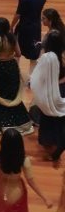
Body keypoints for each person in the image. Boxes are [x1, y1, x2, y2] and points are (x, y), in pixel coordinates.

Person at [30, 31, 65, 164]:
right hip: (62, 89)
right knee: (58, 119)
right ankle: (56, 141)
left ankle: (50, 143)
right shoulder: (61, 56)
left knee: (48, 116)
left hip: (52, 90)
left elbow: (39, 76)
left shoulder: (48, 58)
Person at [10, 0, 46, 80]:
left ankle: (14, 75)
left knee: (17, 51)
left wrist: (11, 27)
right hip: (36, 27)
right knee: (34, 53)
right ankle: (32, 79)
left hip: (24, 27)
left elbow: (18, 14)